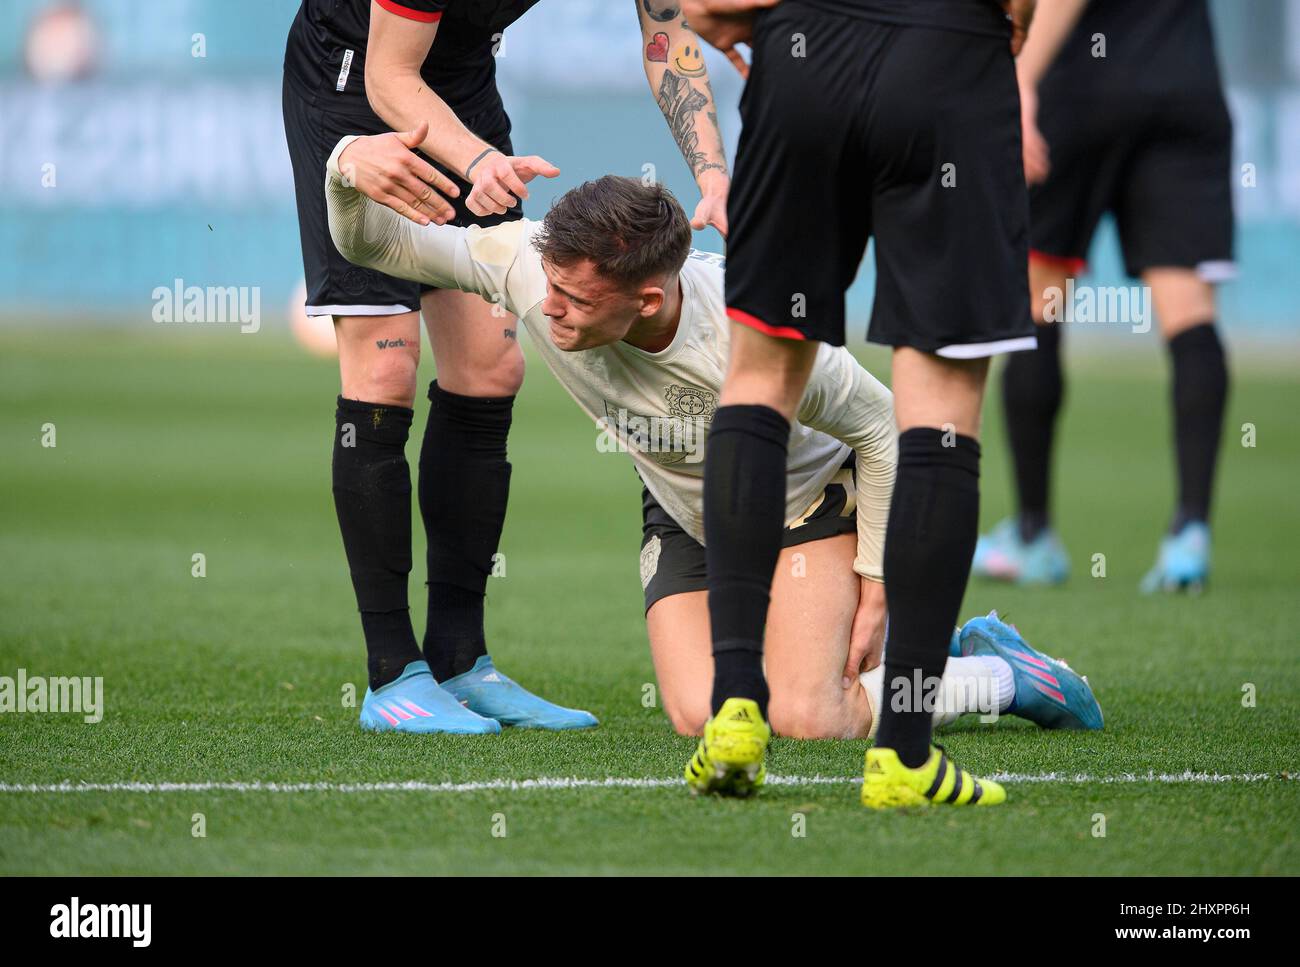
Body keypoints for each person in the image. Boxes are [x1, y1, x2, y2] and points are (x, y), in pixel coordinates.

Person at [324, 135, 1102, 749]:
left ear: (648, 298)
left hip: (807, 503)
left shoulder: (749, 330)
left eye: (576, 299)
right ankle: (901, 645)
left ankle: (1003, 675)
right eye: (549, 288)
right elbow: (375, 246)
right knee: (705, 715)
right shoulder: (530, 266)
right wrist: (344, 168)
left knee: (807, 715)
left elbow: (881, 423)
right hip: (687, 514)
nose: (549, 313)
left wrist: (876, 582)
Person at [281, 0, 733, 732]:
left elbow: (670, 32)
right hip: (352, 84)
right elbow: (390, 76)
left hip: (461, 85)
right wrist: (481, 161)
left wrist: (713, 174)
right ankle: (393, 671)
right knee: (384, 371)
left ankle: (462, 657)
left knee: (490, 368)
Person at [682, 0, 1038, 807]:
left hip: (806, 54)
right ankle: (904, 754)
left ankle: (736, 705)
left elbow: (702, 5)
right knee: (941, 417)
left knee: (761, 379)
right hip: (953, 54)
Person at [972, 0, 1233, 592]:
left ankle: (1034, 536)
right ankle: (1189, 534)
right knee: (1189, 310)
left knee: (1043, 300)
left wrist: (1021, 76)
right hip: (1184, 82)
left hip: (1081, 88)